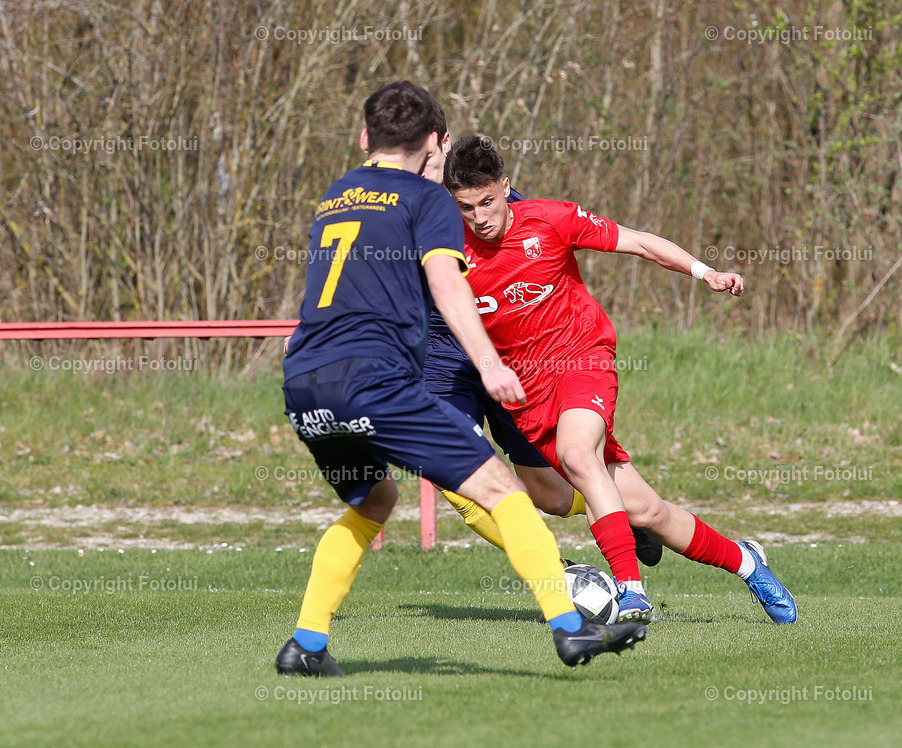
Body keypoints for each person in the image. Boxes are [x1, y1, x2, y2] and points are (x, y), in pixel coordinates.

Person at [275, 82, 646, 677]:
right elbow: (449, 286)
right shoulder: (428, 200)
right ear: (432, 143)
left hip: (306, 377)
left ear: (365, 138)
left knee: (376, 499)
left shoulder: (338, 193)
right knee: (502, 491)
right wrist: (492, 364)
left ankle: (307, 644)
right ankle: (571, 628)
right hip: (377, 378)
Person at [443, 135, 798, 625]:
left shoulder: (548, 219)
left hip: (583, 358)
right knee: (648, 512)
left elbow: (638, 242)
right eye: (466, 207)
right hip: (530, 397)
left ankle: (631, 591)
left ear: (506, 187)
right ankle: (746, 561)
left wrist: (704, 272)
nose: (480, 217)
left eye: (487, 201)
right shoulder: (448, 256)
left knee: (576, 453)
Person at [420, 104, 664, 572]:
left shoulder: (495, 206)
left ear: (445, 145)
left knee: (549, 492)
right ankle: (558, 571)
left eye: (427, 160)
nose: (418, 171)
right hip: (443, 358)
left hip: (507, 354)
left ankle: (626, 515)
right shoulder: (400, 213)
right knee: (450, 467)